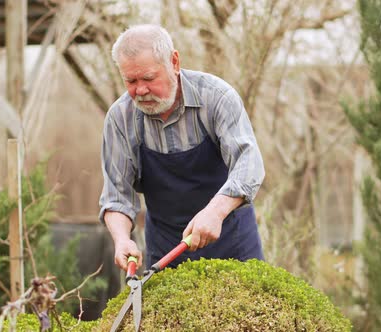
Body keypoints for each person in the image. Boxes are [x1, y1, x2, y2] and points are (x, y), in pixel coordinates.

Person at [99, 24, 265, 271]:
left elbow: (249, 165)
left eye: (148, 78)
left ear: (174, 62)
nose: (140, 90)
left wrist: (215, 212)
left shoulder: (217, 97)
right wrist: (122, 239)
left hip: (232, 240)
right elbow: (117, 196)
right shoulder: (120, 119)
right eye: (130, 81)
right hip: (167, 250)